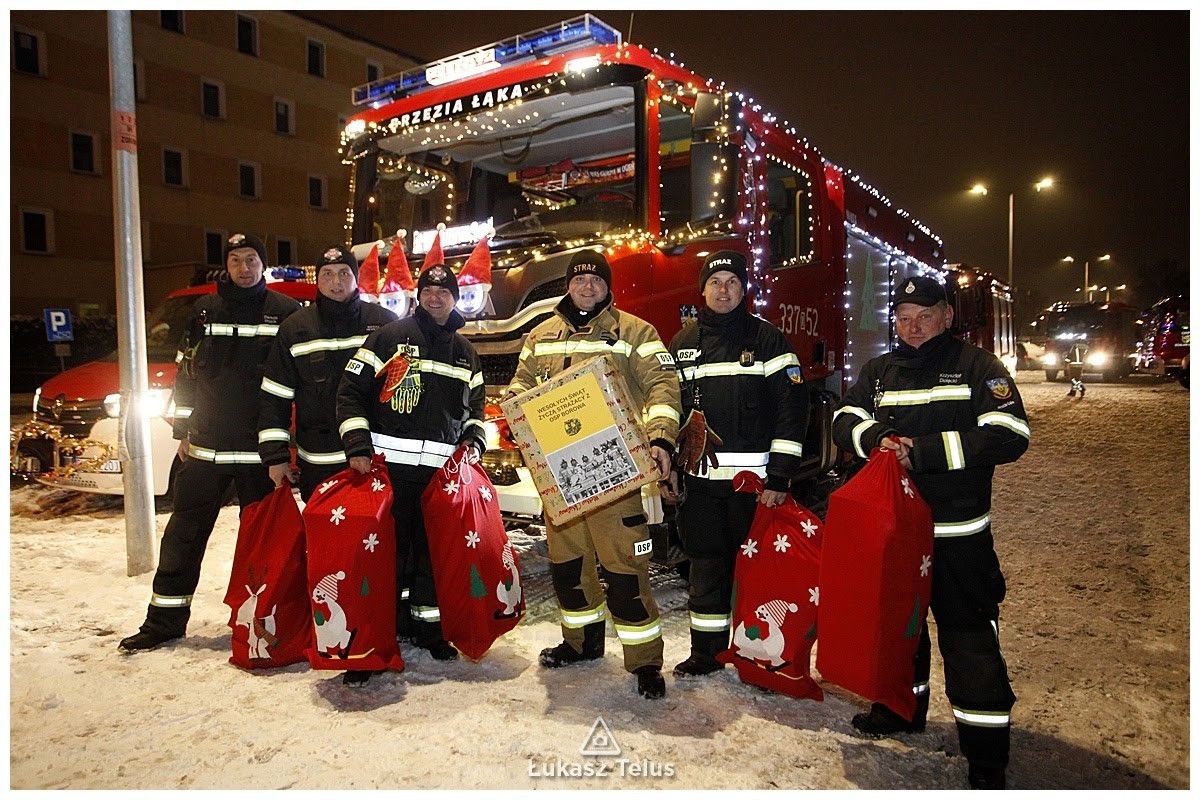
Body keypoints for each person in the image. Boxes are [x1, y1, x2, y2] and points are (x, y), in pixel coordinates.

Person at [831, 275, 1030, 790]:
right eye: (902, 317)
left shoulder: (977, 367)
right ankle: (900, 709)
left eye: (923, 316)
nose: (912, 327)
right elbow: (844, 416)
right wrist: (874, 436)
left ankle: (986, 757)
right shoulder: (878, 371)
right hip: (898, 537)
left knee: (969, 643)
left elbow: (1011, 434)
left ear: (945, 316)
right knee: (901, 633)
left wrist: (924, 452)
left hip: (957, 536)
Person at [504, 250, 681, 699]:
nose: (587, 288)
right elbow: (521, 386)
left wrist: (660, 438)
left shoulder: (636, 332)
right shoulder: (540, 335)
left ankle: (644, 663)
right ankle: (580, 643)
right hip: (561, 479)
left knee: (625, 571)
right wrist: (515, 411)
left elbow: (663, 386)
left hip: (614, 474)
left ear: (607, 287)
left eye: (596, 281)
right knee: (568, 568)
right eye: (579, 281)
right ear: (568, 285)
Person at [119, 233, 301, 652]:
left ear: (264, 265)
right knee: (183, 538)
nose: (244, 267)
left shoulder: (285, 313)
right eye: (235, 260)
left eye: (251, 259)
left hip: (260, 453)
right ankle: (163, 621)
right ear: (227, 265)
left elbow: (295, 382)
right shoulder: (205, 310)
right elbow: (187, 375)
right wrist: (182, 431)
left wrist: (284, 446)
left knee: (264, 544)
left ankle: (266, 621)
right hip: (206, 447)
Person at [336, 258, 486, 684]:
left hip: (439, 480)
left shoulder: (465, 352)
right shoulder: (390, 338)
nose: (435, 298)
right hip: (388, 473)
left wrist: (474, 441)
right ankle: (368, 644)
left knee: (429, 557)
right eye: (428, 291)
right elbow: (351, 392)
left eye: (444, 292)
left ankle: (427, 630)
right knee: (382, 561)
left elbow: (475, 411)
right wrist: (357, 446)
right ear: (419, 296)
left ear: (455, 299)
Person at [667, 250, 809, 678]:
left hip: (755, 486)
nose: (723, 290)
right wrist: (671, 468)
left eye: (732, 281)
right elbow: (670, 411)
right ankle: (705, 654)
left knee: (758, 575)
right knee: (705, 567)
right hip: (702, 484)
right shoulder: (683, 343)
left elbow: (792, 409)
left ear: (744, 288)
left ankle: (760, 654)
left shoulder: (768, 340)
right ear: (702, 289)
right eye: (715, 282)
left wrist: (781, 475)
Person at [257, 245, 397, 500]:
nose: (336, 282)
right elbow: (274, 397)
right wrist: (275, 457)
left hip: (376, 456)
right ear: (317, 280)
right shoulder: (295, 329)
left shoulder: (385, 324)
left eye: (344, 273)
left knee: (375, 537)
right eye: (327, 274)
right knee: (324, 537)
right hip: (319, 462)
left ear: (356, 278)